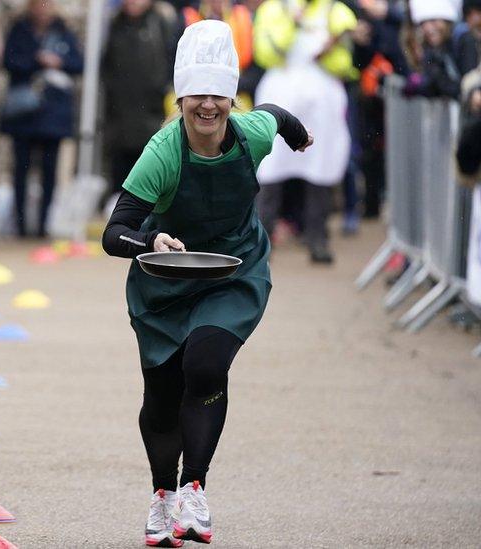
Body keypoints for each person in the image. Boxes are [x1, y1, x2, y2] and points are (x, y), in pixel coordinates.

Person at [101, 20, 312, 547]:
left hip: (234, 273)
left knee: (206, 364)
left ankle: (194, 490)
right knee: (163, 392)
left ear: (231, 97)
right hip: (164, 283)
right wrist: (150, 244)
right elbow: (113, 233)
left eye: (219, 95)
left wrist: (299, 134)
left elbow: (278, 117)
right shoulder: (163, 152)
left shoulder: (252, 131)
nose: (208, 107)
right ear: (181, 97)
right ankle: (162, 496)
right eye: (197, 95)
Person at [253, 0, 357, 264]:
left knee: (320, 168)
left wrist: (326, 52)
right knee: (270, 168)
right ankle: (261, 240)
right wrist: (292, 22)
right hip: (280, 96)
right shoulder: (272, 10)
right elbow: (267, 53)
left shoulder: (335, 10)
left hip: (322, 103)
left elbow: (345, 62)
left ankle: (317, 238)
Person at [1, 0, 83, 238]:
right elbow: (8, 61)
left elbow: (78, 63)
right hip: (24, 114)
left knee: (49, 172)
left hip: (53, 115)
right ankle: (20, 224)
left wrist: (59, 62)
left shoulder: (64, 31)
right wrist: (36, 60)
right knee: (21, 170)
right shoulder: (19, 29)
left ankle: (43, 224)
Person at [102, 0, 178, 200]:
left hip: (152, 117)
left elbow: (170, 63)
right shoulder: (115, 23)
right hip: (120, 119)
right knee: (120, 181)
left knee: (148, 179)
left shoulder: (162, 22)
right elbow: (107, 68)